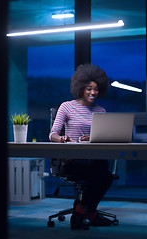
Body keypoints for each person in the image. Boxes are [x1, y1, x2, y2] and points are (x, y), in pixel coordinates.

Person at [49, 63, 115, 230]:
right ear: (80, 87)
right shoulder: (67, 106)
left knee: (104, 173)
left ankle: (81, 210)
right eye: (89, 89)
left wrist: (93, 138)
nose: (93, 92)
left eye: (96, 89)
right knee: (102, 175)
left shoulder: (101, 111)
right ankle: (90, 214)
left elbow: (104, 138)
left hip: (93, 159)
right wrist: (62, 138)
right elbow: (53, 134)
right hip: (72, 160)